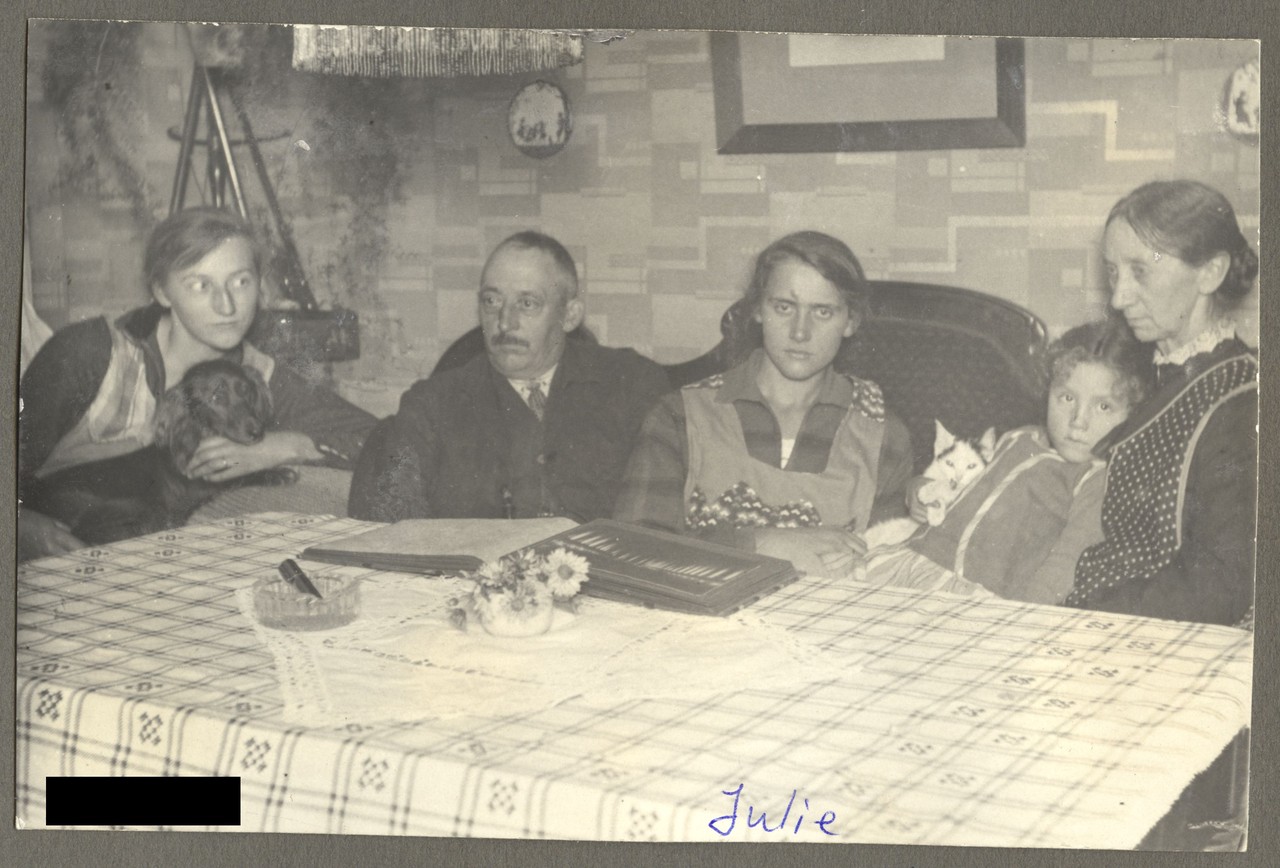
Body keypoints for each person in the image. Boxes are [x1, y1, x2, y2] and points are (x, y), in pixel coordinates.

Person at [18, 207, 377, 561]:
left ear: (260, 287)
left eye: (240, 281)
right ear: (161, 291)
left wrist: (290, 445)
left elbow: (382, 440)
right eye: (200, 285)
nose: (226, 306)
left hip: (153, 543)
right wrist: (21, 526)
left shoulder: (258, 376)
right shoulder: (90, 352)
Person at [613, 230, 914, 578]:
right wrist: (763, 544)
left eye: (823, 312)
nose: (800, 332)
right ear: (757, 309)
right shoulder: (679, 416)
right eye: (784, 307)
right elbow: (630, 550)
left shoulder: (882, 435)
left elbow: (892, 572)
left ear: (850, 322)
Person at [348, 231, 671, 523]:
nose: (505, 322)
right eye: (492, 301)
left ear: (569, 315)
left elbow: (661, 522)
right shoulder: (431, 405)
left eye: (527, 304)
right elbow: (395, 529)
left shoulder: (633, 386)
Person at [1061, 180, 1258, 627]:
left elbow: (1221, 584)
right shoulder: (1139, 369)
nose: (1118, 297)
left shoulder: (1242, 402)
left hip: (1154, 634)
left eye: (1140, 271)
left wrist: (1078, 623)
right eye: (1113, 272)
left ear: (1209, 272)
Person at [864, 318, 1155, 604]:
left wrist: (1024, 621)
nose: (1078, 421)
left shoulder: (1098, 479)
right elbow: (959, 495)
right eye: (1066, 398)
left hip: (973, 600)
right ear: (1048, 393)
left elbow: (1066, 567)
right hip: (910, 561)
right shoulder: (1018, 439)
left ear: (1133, 414)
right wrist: (921, 490)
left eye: (1103, 406)